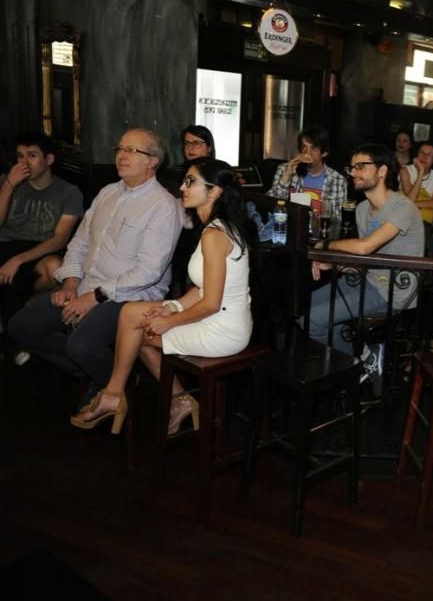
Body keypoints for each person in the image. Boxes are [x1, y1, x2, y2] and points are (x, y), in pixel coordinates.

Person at [68, 159, 254, 435]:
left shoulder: (215, 235)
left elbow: (212, 302)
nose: (182, 187)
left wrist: (171, 321)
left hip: (223, 329)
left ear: (215, 192)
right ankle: (125, 395)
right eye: (185, 180)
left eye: (191, 182)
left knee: (136, 333)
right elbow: (203, 290)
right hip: (220, 315)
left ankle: (123, 397)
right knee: (131, 313)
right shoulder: (216, 228)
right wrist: (172, 306)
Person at [8, 128, 183, 391]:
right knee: (21, 326)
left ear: (153, 161)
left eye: (132, 150)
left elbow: (148, 272)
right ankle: (109, 375)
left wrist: (93, 297)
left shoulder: (164, 206)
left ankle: (113, 387)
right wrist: (69, 283)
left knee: (80, 345)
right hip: (85, 284)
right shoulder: (107, 193)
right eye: (120, 149)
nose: (121, 155)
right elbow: (79, 242)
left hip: (130, 297)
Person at [310, 143, 424, 352]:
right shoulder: (362, 209)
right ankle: (359, 359)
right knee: (303, 314)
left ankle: (355, 367)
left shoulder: (403, 206)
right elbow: (366, 260)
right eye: (352, 167)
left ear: (382, 171)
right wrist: (336, 265)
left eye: (361, 166)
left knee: (313, 322)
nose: (353, 172)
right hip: (365, 281)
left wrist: (325, 245)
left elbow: (364, 247)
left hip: (391, 292)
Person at [0, 131, 84, 321]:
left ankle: (20, 326)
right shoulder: (6, 182)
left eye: (32, 155)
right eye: (20, 156)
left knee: (54, 267)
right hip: (6, 244)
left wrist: (18, 260)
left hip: (39, 249)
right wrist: (9, 184)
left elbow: (60, 239)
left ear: (49, 159)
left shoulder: (69, 192)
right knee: (12, 283)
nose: (24, 163)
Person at [267, 124, 347, 233]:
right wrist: (286, 177)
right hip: (288, 231)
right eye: (304, 147)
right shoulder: (284, 169)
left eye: (313, 148)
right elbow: (270, 206)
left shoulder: (337, 180)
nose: (307, 153)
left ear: (324, 153)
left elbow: (337, 220)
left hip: (319, 234)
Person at [399, 141, 433, 224]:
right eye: (421, 152)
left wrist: (414, 204)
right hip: (404, 215)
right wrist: (420, 173)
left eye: (429, 154)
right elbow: (410, 199)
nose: (424, 157)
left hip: (425, 216)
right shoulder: (405, 171)